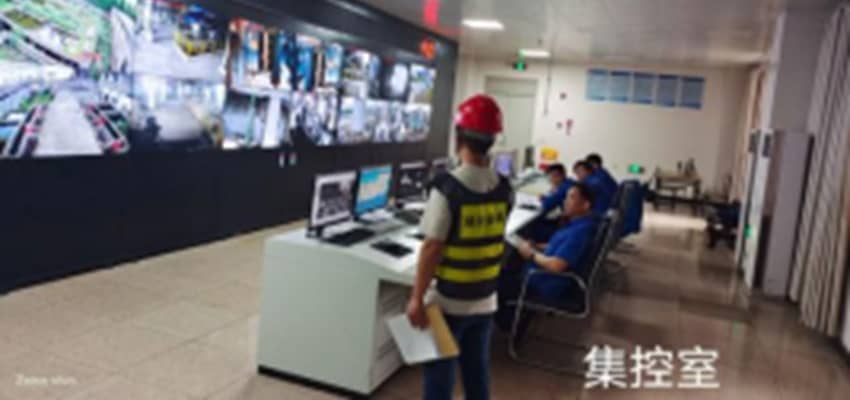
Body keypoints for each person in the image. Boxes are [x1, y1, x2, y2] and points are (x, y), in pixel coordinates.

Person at [407, 94, 512, 400]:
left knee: (440, 375)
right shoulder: (504, 188)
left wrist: (416, 298)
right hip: (485, 300)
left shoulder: (448, 188)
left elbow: (432, 247)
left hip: (446, 304)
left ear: (458, 137)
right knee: (476, 373)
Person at [496, 183, 599, 331]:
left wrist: (531, 254)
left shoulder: (580, 233)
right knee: (510, 261)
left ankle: (508, 322)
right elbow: (558, 246)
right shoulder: (579, 224)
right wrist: (537, 246)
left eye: (571, 198)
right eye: (566, 197)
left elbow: (557, 265)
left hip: (540, 283)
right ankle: (509, 312)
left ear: (585, 205)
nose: (565, 202)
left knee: (493, 280)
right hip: (538, 274)